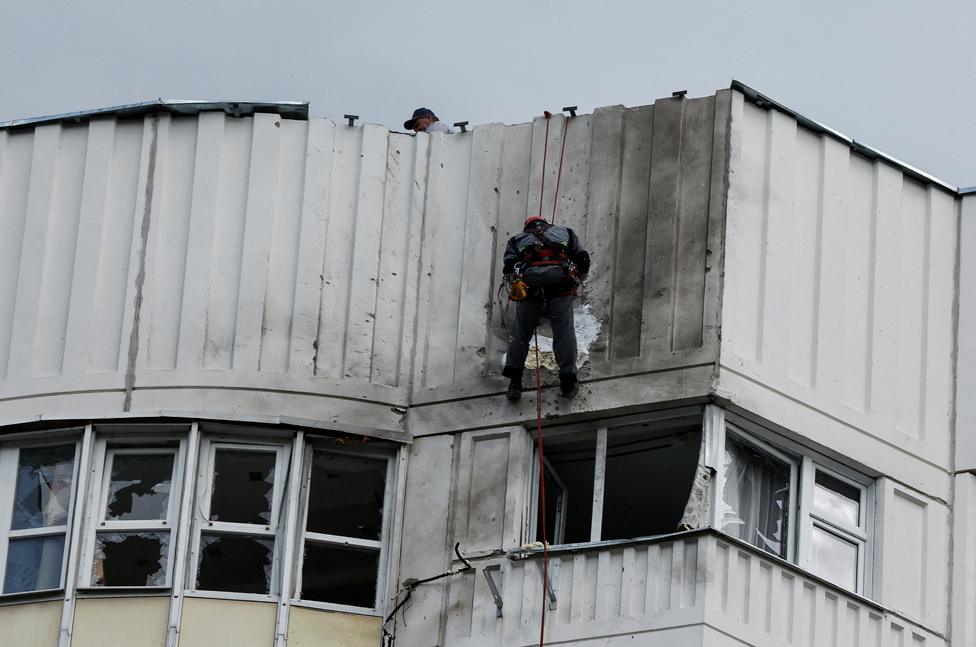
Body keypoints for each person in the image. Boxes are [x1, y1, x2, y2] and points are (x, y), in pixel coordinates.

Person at [502, 216, 590, 401]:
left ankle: (515, 382)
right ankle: (568, 380)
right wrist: (577, 281)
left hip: (530, 287)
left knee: (521, 332)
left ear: (527, 227)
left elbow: (509, 268)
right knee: (564, 332)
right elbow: (583, 258)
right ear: (546, 223)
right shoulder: (566, 232)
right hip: (560, 284)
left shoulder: (516, 239)